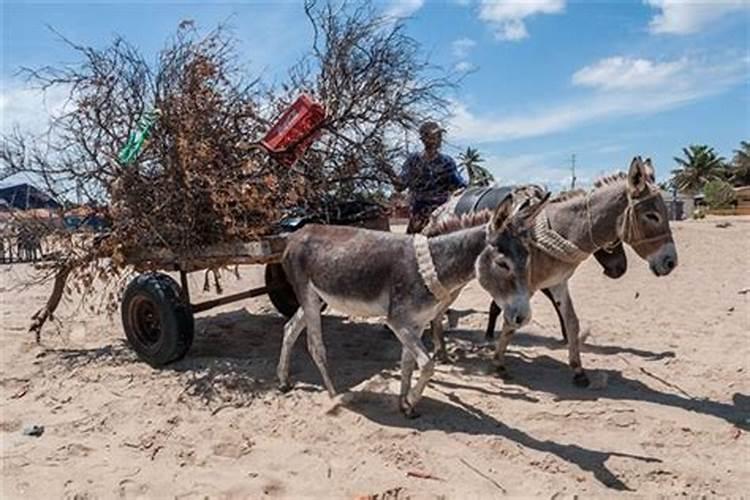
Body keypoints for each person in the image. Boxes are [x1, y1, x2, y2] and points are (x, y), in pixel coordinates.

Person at [399, 121, 466, 234]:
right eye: (435, 136)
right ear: (424, 138)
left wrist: (463, 191)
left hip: (441, 216)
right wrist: (387, 172)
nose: (439, 139)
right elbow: (400, 186)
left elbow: (459, 185)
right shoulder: (413, 160)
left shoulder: (446, 162)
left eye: (440, 136)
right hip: (418, 217)